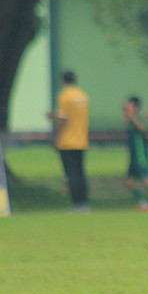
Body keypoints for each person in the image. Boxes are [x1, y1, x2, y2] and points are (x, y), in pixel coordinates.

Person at [47, 71, 90, 211]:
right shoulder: (82, 96)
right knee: (80, 172)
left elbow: (63, 120)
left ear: (63, 80)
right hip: (81, 140)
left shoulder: (64, 96)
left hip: (67, 141)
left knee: (71, 174)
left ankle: (76, 204)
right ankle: (84, 202)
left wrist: (56, 137)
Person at [122, 97, 148, 211]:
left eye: (129, 104)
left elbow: (142, 128)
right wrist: (127, 114)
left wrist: (132, 116)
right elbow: (126, 123)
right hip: (133, 154)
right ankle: (142, 204)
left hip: (141, 153)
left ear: (134, 106)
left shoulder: (137, 117)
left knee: (147, 177)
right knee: (129, 181)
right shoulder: (129, 119)